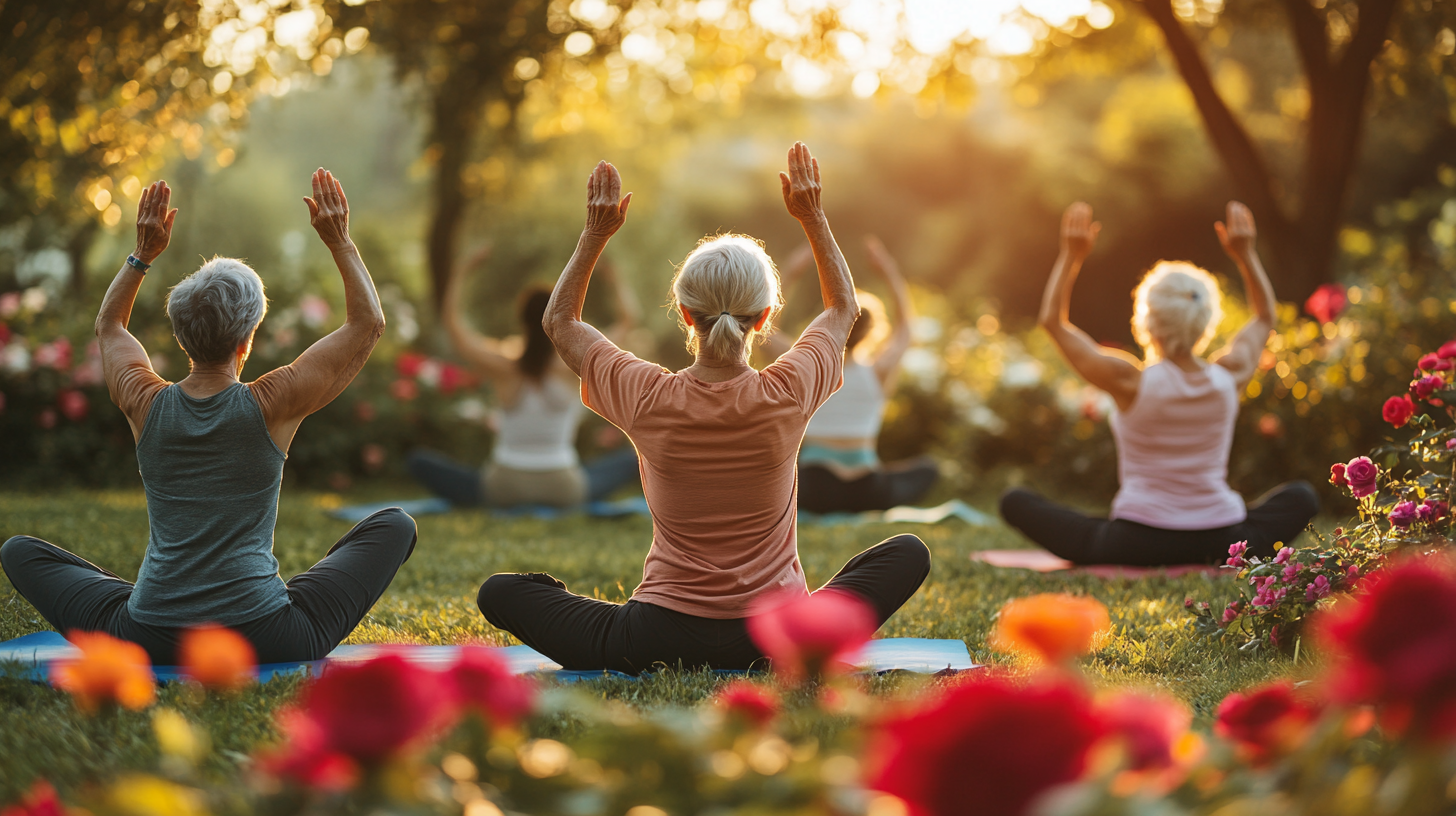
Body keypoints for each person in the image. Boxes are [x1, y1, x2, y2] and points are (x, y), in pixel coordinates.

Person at [475, 143, 931, 673]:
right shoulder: (787, 391)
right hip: (775, 638)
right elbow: (842, 308)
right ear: (762, 320)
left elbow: (560, 323)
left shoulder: (647, 395)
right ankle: (810, 637)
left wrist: (595, 234)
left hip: (654, 636)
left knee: (501, 592)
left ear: (686, 316)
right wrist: (812, 215)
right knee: (908, 553)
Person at [1, 170, 416, 665]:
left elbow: (109, 325)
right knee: (395, 524)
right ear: (247, 341)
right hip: (266, 636)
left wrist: (142, 255)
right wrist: (340, 240)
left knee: (18, 551)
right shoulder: (272, 402)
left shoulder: (143, 400)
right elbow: (367, 324)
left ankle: (161, 596)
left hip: (147, 636)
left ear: (181, 337)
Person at [999, 201, 1318, 566]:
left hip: (1135, 542)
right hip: (1225, 540)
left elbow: (1053, 322)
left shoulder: (1129, 381)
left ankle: (1107, 539)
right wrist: (1245, 255)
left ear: (1148, 321)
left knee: (1017, 502)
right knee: (1303, 497)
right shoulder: (1229, 375)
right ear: (1205, 320)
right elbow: (1265, 316)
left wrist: (1071, 257)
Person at [405, 247, 639, 509]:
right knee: (633, 458)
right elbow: (627, 321)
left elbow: (453, 326)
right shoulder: (574, 364)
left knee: (419, 461)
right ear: (560, 321)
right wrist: (614, 278)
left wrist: (461, 272)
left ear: (521, 319)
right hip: (563, 487)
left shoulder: (504, 367)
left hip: (504, 488)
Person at [770, 236, 938, 513]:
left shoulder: (809, 364)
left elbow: (767, 333)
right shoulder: (877, 371)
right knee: (928, 469)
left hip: (815, 488)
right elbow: (907, 329)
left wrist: (791, 271)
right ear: (871, 331)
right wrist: (890, 272)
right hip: (866, 489)